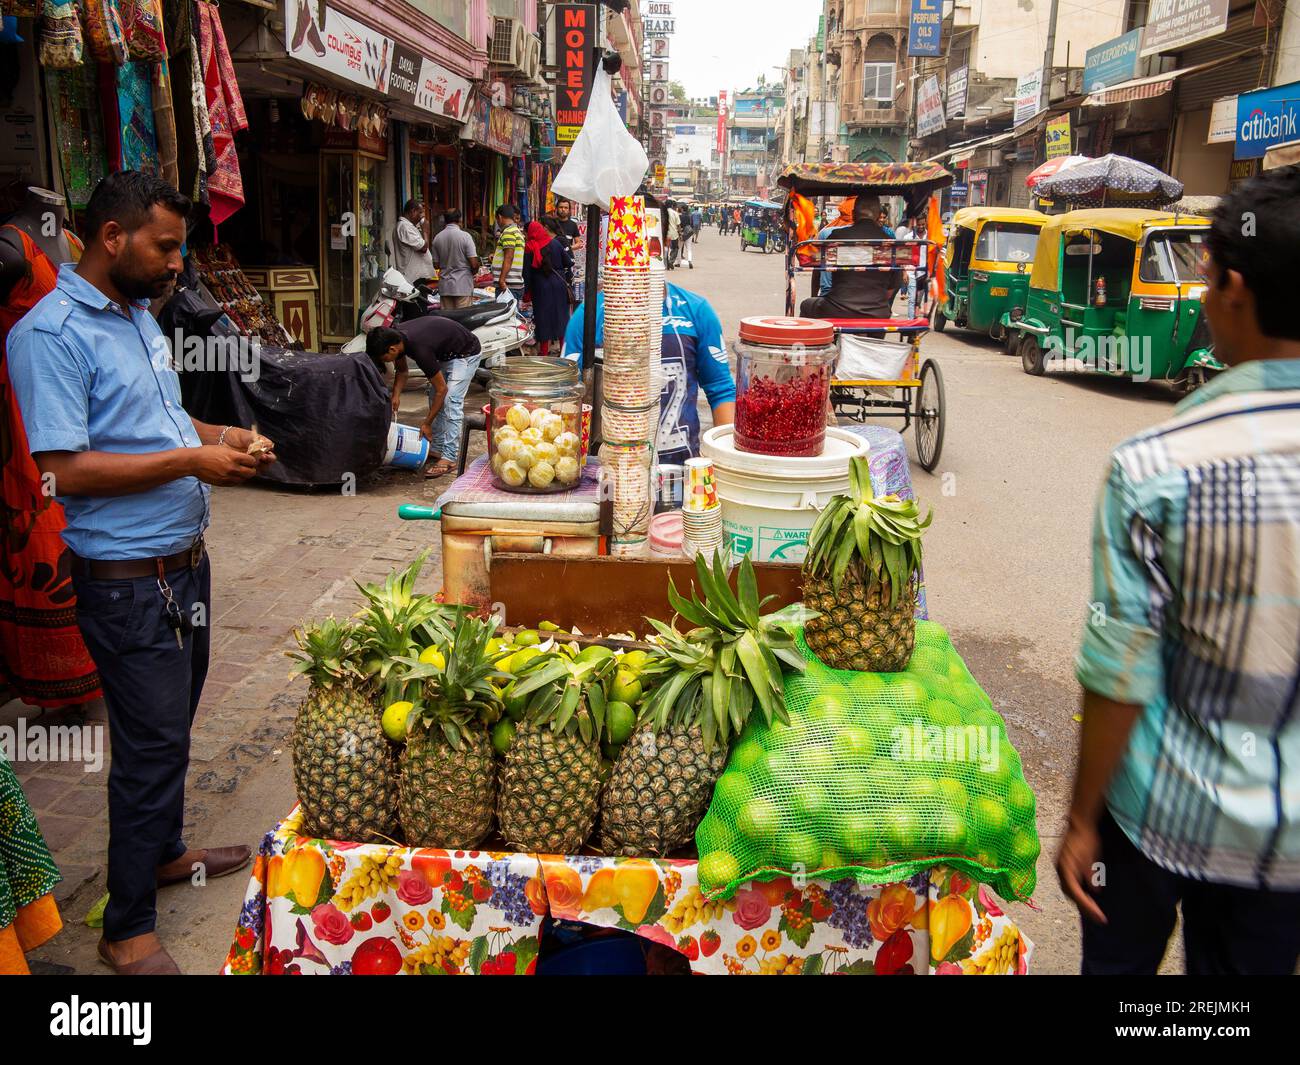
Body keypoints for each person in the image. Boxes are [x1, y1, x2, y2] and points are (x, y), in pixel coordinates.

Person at [6, 171, 276, 975]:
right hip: (129, 581)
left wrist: (219, 433)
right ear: (112, 237)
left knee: (170, 729)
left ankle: (162, 853)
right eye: (165, 246)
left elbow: (157, 421)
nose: (177, 263)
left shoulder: (136, 317)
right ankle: (126, 928)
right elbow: (64, 469)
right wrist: (191, 459)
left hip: (182, 567)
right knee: (151, 747)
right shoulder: (51, 335)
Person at [1058, 167, 1300, 976]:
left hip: (1159, 817)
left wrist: (1083, 818)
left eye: (1202, 282)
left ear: (1232, 287)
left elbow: (1121, 667)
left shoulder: (1158, 462)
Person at [564, 281, 735, 467]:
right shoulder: (589, 315)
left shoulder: (696, 311)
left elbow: (721, 390)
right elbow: (566, 395)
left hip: (681, 467)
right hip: (608, 469)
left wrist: (726, 466)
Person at [366, 315, 480, 478]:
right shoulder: (396, 337)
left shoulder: (419, 349)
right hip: (447, 352)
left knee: (450, 401)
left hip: (466, 353)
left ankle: (450, 457)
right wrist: (395, 396)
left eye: (385, 359)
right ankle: (438, 449)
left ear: (392, 349)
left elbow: (442, 390)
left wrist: (426, 423)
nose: (386, 362)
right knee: (434, 398)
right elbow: (403, 371)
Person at [800, 195, 900, 320]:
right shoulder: (890, 242)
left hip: (837, 308)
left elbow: (819, 269)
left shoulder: (837, 237)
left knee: (806, 305)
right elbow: (891, 289)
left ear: (853, 214)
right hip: (878, 312)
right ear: (878, 215)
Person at [524, 217, 572, 358]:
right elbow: (569, 262)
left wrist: (526, 292)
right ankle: (563, 351)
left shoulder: (530, 247)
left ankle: (544, 352)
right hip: (558, 284)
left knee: (543, 318)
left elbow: (526, 272)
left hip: (540, 286)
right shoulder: (555, 244)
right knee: (561, 317)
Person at [430, 207, 480, 310]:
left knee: (448, 322)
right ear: (459, 219)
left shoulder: (437, 238)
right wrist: (472, 272)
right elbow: (474, 264)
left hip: (445, 287)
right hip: (462, 286)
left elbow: (436, 265)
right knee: (462, 320)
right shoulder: (465, 237)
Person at [490, 204, 525, 305]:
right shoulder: (516, 231)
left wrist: (501, 281)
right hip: (512, 283)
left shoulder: (508, 232)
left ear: (499, 217)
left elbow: (509, 257)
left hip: (508, 284)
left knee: (508, 318)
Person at [393, 199, 432, 284]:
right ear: (413, 211)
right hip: (413, 278)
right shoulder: (405, 227)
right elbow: (424, 248)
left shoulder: (409, 226)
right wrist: (425, 231)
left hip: (416, 277)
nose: (422, 216)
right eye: (420, 212)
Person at [666, 202, 682, 269]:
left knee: (666, 249)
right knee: (675, 248)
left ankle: (666, 262)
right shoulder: (675, 213)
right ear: (673, 206)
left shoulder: (663, 212)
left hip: (665, 234)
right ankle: (671, 261)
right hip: (674, 234)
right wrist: (680, 233)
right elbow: (678, 225)